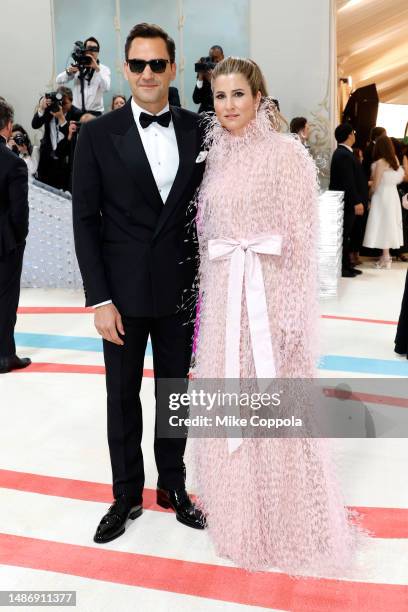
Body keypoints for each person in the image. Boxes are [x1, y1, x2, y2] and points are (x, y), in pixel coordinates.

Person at [190, 57, 363, 575]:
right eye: (220, 97)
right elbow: (207, 239)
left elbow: (302, 242)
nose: (228, 107)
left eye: (238, 95)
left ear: (259, 96)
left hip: (269, 301)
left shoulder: (286, 153)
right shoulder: (215, 155)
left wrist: (290, 316)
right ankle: (242, 524)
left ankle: (287, 525)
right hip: (225, 302)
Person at [72, 22, 207, 544]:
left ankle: (173, 485)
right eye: (137, 64)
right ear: (125, 69)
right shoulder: (98, 135)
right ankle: (125, 494)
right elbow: (86, 221)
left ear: (173, 68)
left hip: (180, 292)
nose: (147, 73)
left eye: (157, 64)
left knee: (175, 394)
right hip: (122, 297)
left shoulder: (200, 129)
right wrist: (100, 299)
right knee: (121, 397)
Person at [0, 100, 31, 373]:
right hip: (4, 241)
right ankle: (4, 355)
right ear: (8, 126)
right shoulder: (13, 163)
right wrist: (18, 238)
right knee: (6, 297)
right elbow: (19, 212)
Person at [363, 135, 407, 268]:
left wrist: (369, 195)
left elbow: (375, 184)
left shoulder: (381, 162)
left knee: (381, 223)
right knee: (389, 223)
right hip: (392, 195)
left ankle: (386, 258)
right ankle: (385, 256)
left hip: (382, 195)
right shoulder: (395, 160)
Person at [329, 123, 365, 277]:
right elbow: (347, 182)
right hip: (346, 203)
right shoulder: (343, 154)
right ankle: (342, 268)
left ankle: (347, 266)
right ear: (349, 135)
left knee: (346, 235)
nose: (354, 135)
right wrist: (356, 201)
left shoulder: (345, 153)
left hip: (347, 202)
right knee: (343, 236)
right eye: (353, 132)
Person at [31, 86, 82, 190]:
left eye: (64, 103)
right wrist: (41, 108)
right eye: (59, 102)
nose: (61, 106)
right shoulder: (50, 108)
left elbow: (71, 138)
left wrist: (62, 118)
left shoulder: (76, 114)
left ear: (71, 101)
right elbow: (35, 125)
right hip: (46, 158)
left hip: (64, 161)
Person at [56, 37, 111, 115]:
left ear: (98, 52)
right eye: (89, 48)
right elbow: (58, 80)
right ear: (84, 50)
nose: (91, 51)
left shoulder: (104, 69)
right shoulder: (78, 65)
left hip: (95, 113)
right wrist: (69, 72)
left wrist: (97, 69)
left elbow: (106, 88)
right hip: (76, 112)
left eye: (94, 49)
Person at [193, 45, 224, 113]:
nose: (214, 61)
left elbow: (223, 99)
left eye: (216, 58)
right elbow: (196, 100)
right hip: (204, 115)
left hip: (221, 114)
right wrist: (200, 77)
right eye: (211, 58)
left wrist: (212, 81)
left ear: (222, 56)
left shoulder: (228, 73)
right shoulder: (206, 72)